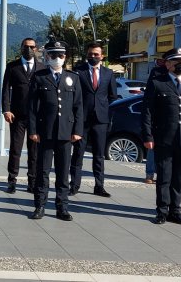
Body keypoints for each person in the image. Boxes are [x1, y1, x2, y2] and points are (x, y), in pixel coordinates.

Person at [142, 47, 181, 225]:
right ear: (168, 64)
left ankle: (175, 211)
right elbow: (147, 112)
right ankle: (161, 211)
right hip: (164, 138)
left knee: (179, 178)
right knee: (164, 177)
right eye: (177, 61)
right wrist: (147, 136)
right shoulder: (157, 83)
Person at [28, 40, 83, 221]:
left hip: (66, 133)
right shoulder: (39, 77)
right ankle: (40, 206)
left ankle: (62, 208)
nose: (57, 59)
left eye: (60, 55)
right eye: (53, 55)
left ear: (65, 57)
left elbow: (78, 107)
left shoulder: (73, 78)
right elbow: (32, 108)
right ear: (47, 56)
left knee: (62, 173)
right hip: (45, 132)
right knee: (43, 172)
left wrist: (77, 130)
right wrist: (33, 131)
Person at [69, 43, 118, 197]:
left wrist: (101, 107)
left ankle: (99, 186)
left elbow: (112, 95)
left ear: (102, 56)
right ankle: (74, 185)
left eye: (96, 54)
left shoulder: (108, 73)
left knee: (99, 155)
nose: (93, 56)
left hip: (100, 120)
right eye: (90, 54)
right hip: (81, 119)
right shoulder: (78, 72)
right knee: (78, 154)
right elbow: (73, 95)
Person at [2, 38, 44, 194]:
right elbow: (6, 89)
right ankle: (12, 180)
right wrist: (6, 109)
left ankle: (32, 181)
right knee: (15, 149)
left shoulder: (41, 67)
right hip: (17, 115)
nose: (29, 49)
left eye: (32, 47)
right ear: (21, 48)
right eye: (26, 46)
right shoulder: (13, 67)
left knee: (34, 151)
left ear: (36, 48)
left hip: (36, 116)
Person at [144, 61, 167, 185]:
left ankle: (165, 174)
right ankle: (150, 174)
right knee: (152, 148)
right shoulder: (156, 72)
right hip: (157, 118)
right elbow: (149, 96)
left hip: (172, 120)